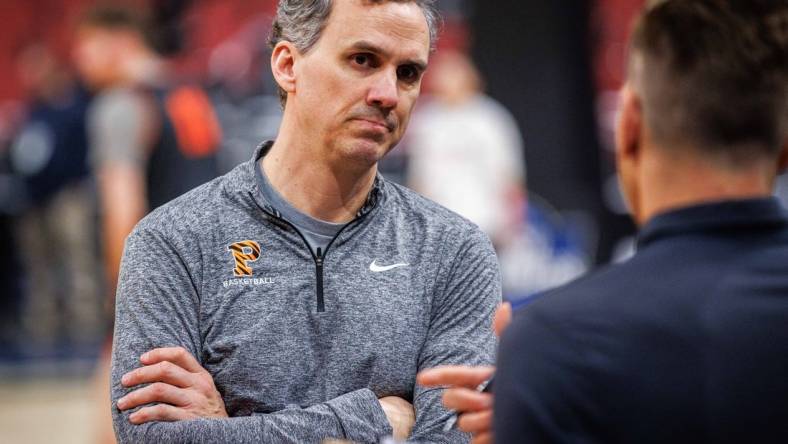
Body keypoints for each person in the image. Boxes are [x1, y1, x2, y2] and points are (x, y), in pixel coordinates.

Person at [110, 1, 500, 443]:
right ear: (288, 65)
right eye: (362, 60)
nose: (388, 93)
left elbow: (450, 440)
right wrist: (374, 418)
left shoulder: (454, 251)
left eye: (408, 72)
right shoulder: (173, 241)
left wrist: (227, 431)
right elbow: (150, 438)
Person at [419, 1, 788, 443]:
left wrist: (538, 399)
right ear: (784, 148)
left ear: (628, 126)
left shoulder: (554, 343)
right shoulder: (554, 351)